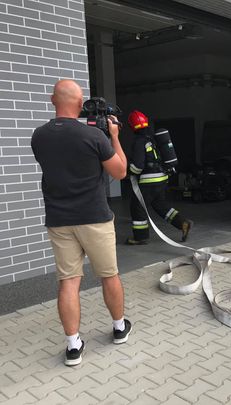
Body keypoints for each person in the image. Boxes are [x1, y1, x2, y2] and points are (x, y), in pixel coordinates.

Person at [31, 79, 132, 366]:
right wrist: (113, 136)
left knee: (68, 282)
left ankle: (73, 346)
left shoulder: (39, 136)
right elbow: (120, 171)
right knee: (109, 275)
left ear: (53, 100)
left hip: (59, 219)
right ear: (79, 104)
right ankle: (119, 328)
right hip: (94, 218)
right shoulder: (94, 136)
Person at [125, 110, 193, 245]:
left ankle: (140, 237)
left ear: (132, 126)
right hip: (161, 178)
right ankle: (182, 223)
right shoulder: (152, 139)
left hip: (148, 181)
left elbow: (138, 166)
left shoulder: (139, 141)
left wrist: (129, 171)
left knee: (137, 207)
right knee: (160, 205)